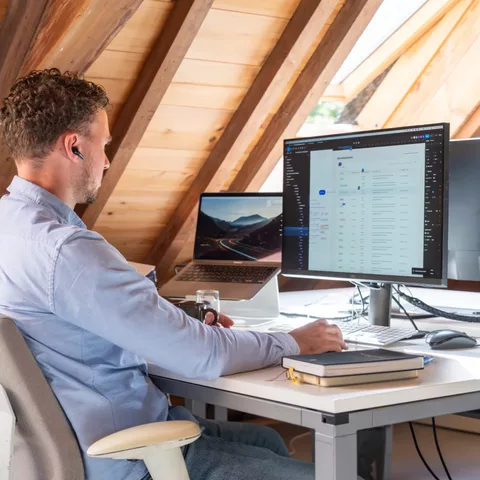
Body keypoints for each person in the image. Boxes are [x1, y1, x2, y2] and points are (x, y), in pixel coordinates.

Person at [0, 69, 374, 480]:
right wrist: (294, 341)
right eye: (104, 145)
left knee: (267, 442)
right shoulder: (67, 249)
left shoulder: (12, 226)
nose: (107, 160)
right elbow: (201, 356)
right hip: (132, 456)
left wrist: (169, 317)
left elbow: (73, 320)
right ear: (74, 147)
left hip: (63, 445)